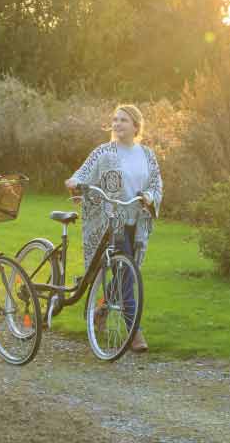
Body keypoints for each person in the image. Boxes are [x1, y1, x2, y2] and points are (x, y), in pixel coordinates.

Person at [64, 104, 163, 352]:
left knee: (123, 273)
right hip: (111, 220)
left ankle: (101, 311)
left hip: (136, 222)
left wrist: (150, 196)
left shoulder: (147, 155)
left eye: (123, 120)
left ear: (136, 126)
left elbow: (156, 184)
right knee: (128, 273)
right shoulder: (104, 152)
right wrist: (75, 182)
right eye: (115, 119)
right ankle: (134, 331)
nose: (117, 124)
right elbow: (83, 173)